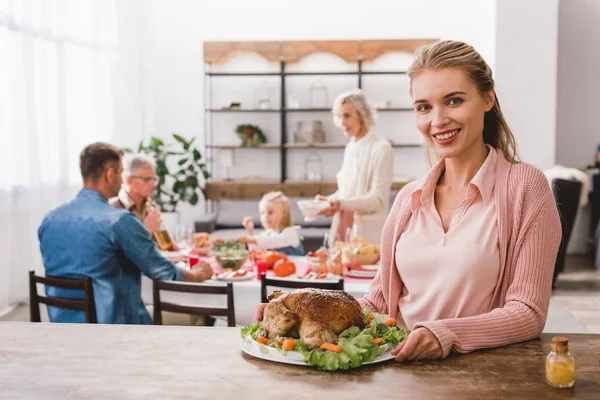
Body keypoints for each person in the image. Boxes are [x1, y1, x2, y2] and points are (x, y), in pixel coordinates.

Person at [254, 40, 562, 363]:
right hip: (396, 372)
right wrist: (295, 308)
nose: (438, 120)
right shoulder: (408, 199)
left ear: (488, 98)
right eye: (424, 107)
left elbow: (527, 312)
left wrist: (444, 334)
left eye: (454, 100)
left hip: (479, 379)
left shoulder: (525, 188)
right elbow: (377, 305)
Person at [38, 143, 213, 324]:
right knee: (202, 315)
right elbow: (161, 271)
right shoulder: (120, 220)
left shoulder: (49, 219)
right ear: (109, 174)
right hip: (117, 331)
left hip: (63, 330)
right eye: (121, 173)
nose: (122, 180)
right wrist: (197, 274)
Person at [315, 89, 393, 246]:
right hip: (344, 227)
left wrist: (341, 204)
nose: (342, 122)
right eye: (339, 116)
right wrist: (330, 201)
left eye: (347, 116)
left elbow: (377, 200)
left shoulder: (381, 148)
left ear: (362, 114)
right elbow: (347, 192)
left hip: (368, 235)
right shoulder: (351, 146)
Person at [236, 191, 304, 256]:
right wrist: (250, 232)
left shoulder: (291, 232)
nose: (265, 216)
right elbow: (256, 252)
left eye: (270, 212)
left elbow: (276, 241)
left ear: (284, 214)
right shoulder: (267, 234)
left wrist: (250, 239)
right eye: (262, 213)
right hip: (276, 267)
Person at [109, 153, 162, 235]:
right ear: (129, 181)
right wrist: (145, 229)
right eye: (147, 179)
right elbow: (117, 246)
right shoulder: (113, 208)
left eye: (154, 179)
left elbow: (158, 244)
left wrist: (172, 246)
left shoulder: (152, 207)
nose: (153, 184)